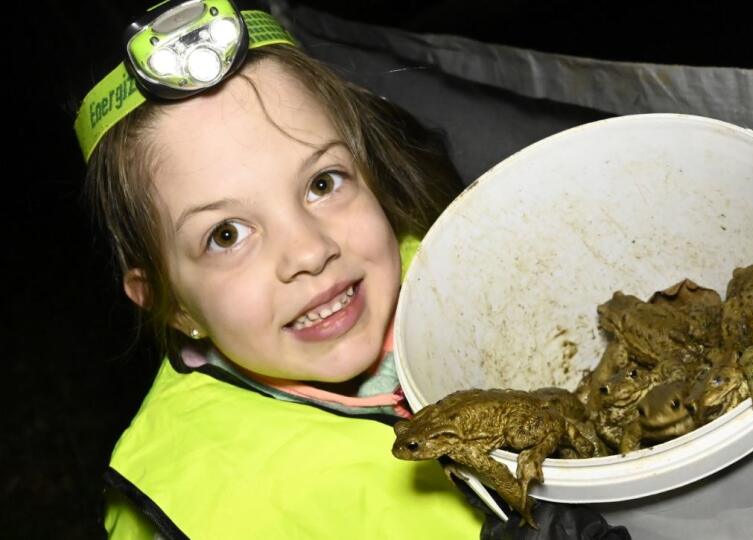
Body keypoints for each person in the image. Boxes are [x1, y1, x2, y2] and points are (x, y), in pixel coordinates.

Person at [77, 3, 628, 538]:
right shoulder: (188, 511)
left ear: (370, 173)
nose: (309, 252)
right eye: (226, 235)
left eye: (322, 183)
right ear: (173, 302)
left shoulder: (461, 269)